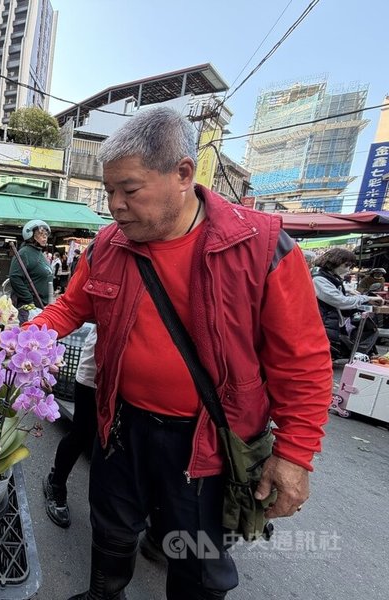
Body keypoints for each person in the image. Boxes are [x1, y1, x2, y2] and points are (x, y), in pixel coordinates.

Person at [28, 107, 332, 600]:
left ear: (184, 173)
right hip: (121, 423)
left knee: (197, 559)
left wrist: (294, 454)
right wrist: (17, 340)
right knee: (111, 528)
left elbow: (303, 362)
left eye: (129, 190)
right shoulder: (108, 245)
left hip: (208, 441)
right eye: (109, 191)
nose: (115, 206)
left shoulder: (261, 247)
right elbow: (70, 307)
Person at [42, 325, 98, 528]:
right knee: (82, 433)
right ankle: (56, 482)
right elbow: (72, 310)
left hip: (142, 387)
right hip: (96, 373)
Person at [312, 249, 384, 351]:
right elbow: (341, 301)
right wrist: (366, 298)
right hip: (324, 324)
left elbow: (336, 295)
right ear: (335, 262)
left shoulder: (330, 277)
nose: (348, 269)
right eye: (346, 265)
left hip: (331, 323)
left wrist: (348, 291)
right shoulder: (319, 279)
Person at [9, 219, 53, 324]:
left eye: (46, 234)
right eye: (41, 234)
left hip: (42, 305)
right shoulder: (25, 253)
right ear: (30, 235)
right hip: (30, 307)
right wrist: (28, 299)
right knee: (30, 333)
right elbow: (14, 277)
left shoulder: (39, 253)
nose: (45, 237)